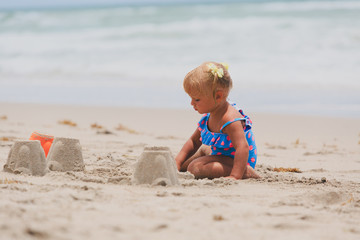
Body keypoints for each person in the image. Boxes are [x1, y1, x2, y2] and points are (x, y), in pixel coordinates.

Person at [175, 62, 260, 180]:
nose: (191, 103)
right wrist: (177, 163)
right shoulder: (208, 116)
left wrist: (235, 175)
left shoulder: (230, 119)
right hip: (221, 155)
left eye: (197, 99)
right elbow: (193, 142)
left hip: (238, 161)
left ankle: (246, 172)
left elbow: (242, 147)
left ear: (218, 96)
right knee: (186, 164)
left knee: (195, 168)